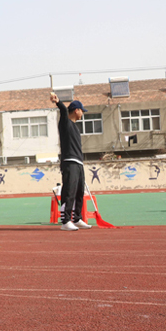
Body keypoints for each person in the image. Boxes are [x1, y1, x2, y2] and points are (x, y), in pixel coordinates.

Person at [50, 93, 92, 231]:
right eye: (82, 111)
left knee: (80, 192)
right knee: (70, 191)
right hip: (69, 162)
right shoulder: (65, 123)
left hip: (78, 163)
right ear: (76, 110)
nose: (83, 114)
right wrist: (58, 102)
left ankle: (77, 218)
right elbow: (63, 110)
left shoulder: (75, 127)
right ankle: (66, 221)